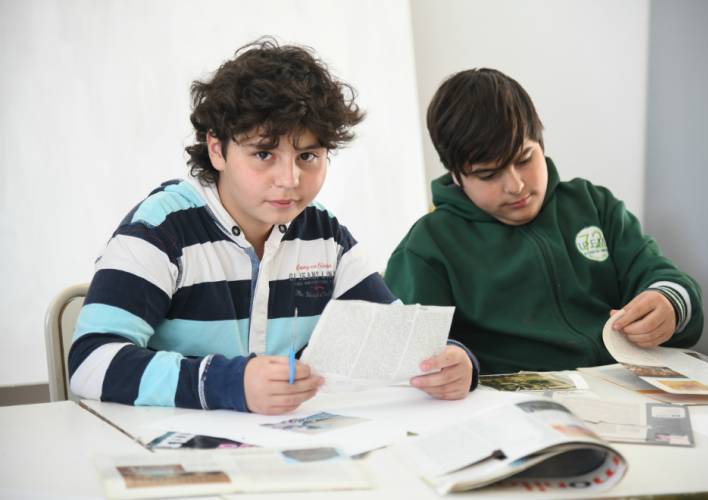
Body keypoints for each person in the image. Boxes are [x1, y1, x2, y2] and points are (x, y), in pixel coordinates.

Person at [69, 38, 478, 415]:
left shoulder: (326, 236)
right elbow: (90, 361)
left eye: (308, 156)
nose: (290, 179)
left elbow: (393, 339)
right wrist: (230, 383)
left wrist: (455, 362)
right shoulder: (162, 231)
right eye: (264, 154)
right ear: (217, 148)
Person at [384, 68, 703, 374]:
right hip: (515, 409)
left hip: (624, 384)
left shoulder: (593, 205)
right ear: (457, 176)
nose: (516, 186)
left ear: (541, 144)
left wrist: (669, 303)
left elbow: (660, 274)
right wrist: (454, 365)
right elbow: (412, 355)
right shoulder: (430, 246)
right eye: (488, 174)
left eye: (525, 159)